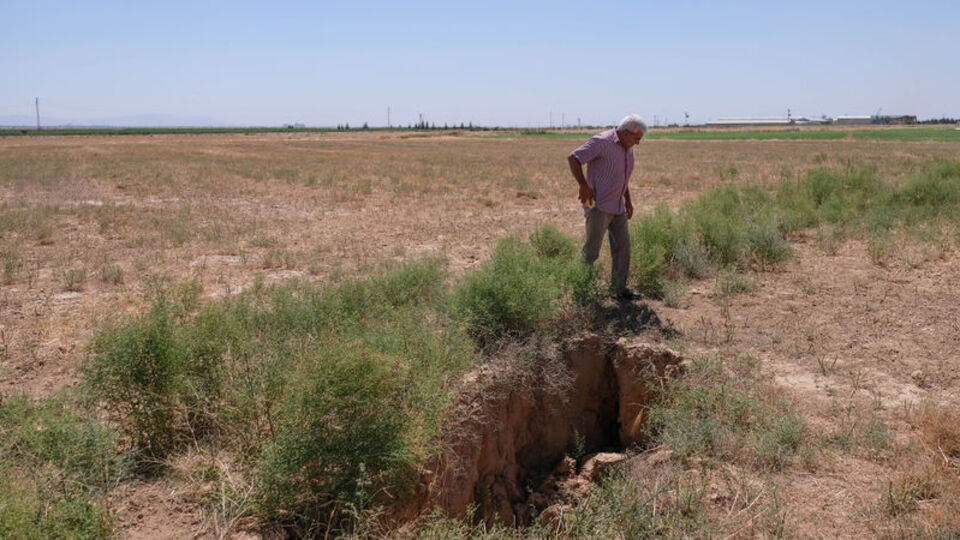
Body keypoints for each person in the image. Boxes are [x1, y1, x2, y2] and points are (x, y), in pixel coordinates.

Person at [567, 114, 648, 300]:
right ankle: (581, 293)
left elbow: (622, 176)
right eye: (636, 138)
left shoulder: (628, 148)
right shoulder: (602, 141)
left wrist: (628, 200)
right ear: (625, 133)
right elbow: (574, 158)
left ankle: (618, 290)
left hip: (618, 206)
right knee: (591, 251)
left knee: (623, 247)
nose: (638, 143)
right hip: (599, 206)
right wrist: (583, 185)